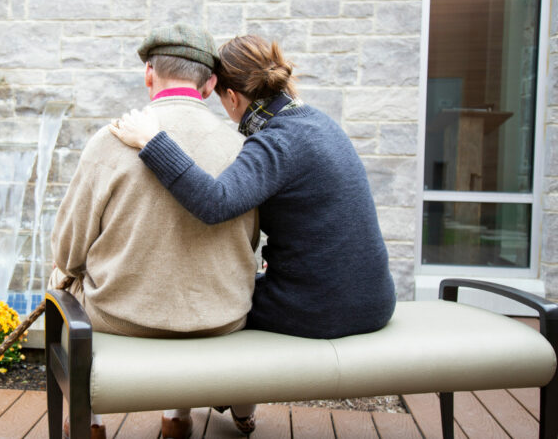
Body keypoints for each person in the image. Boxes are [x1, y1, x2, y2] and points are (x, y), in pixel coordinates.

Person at [109, 34, 397, 341]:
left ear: (232, 97)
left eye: (222, 100)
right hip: (375, 302)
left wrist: (152, 141)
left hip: (318, 311)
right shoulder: (318, 123)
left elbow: (215, 203)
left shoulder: (276, 141)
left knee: (210, 305)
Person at [49, 24, 260, 439]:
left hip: (122, 318)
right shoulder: (242, 146)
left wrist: (65, 270)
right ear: (210, 83)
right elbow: (250, 242)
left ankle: (91, 423)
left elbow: (69, 249)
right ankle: (177, 416)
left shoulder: (110, 141)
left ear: (149, 74)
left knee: (60, 274)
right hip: (220, 317)